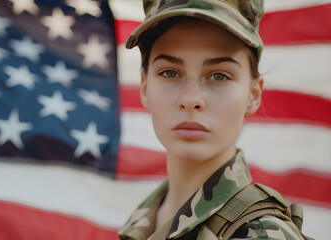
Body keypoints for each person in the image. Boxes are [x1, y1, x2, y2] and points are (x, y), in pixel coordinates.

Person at [118, 1, 312, 239]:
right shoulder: (146, 221)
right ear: (144, 87)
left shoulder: (262, 234)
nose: (191, 100)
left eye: (219, 76)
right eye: (170, 72)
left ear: (253, 95)